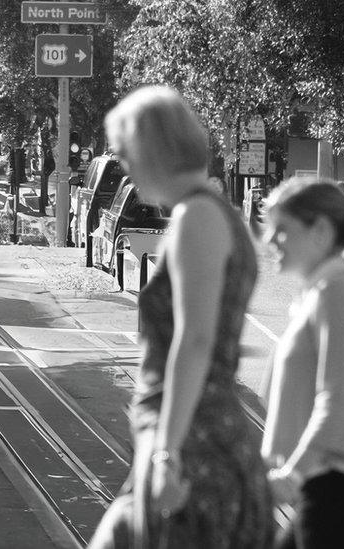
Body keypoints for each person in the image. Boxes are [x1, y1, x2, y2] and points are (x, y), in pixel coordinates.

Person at [88, 86, 272, 548]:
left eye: (126, 154)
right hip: (194, 433)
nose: (125, 168)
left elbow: (195, 339)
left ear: (152, 151)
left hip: (193, 443)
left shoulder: (197, 219)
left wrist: (168, 454)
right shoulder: (213, 214)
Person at [259, 177, 344, 548]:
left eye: (281, 230)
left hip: (339, 492)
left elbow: (335, 404)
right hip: (330, 486)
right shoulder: (324, 292)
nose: (269, 241)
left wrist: (292, 475)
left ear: (321, 231)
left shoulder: (336, 293)